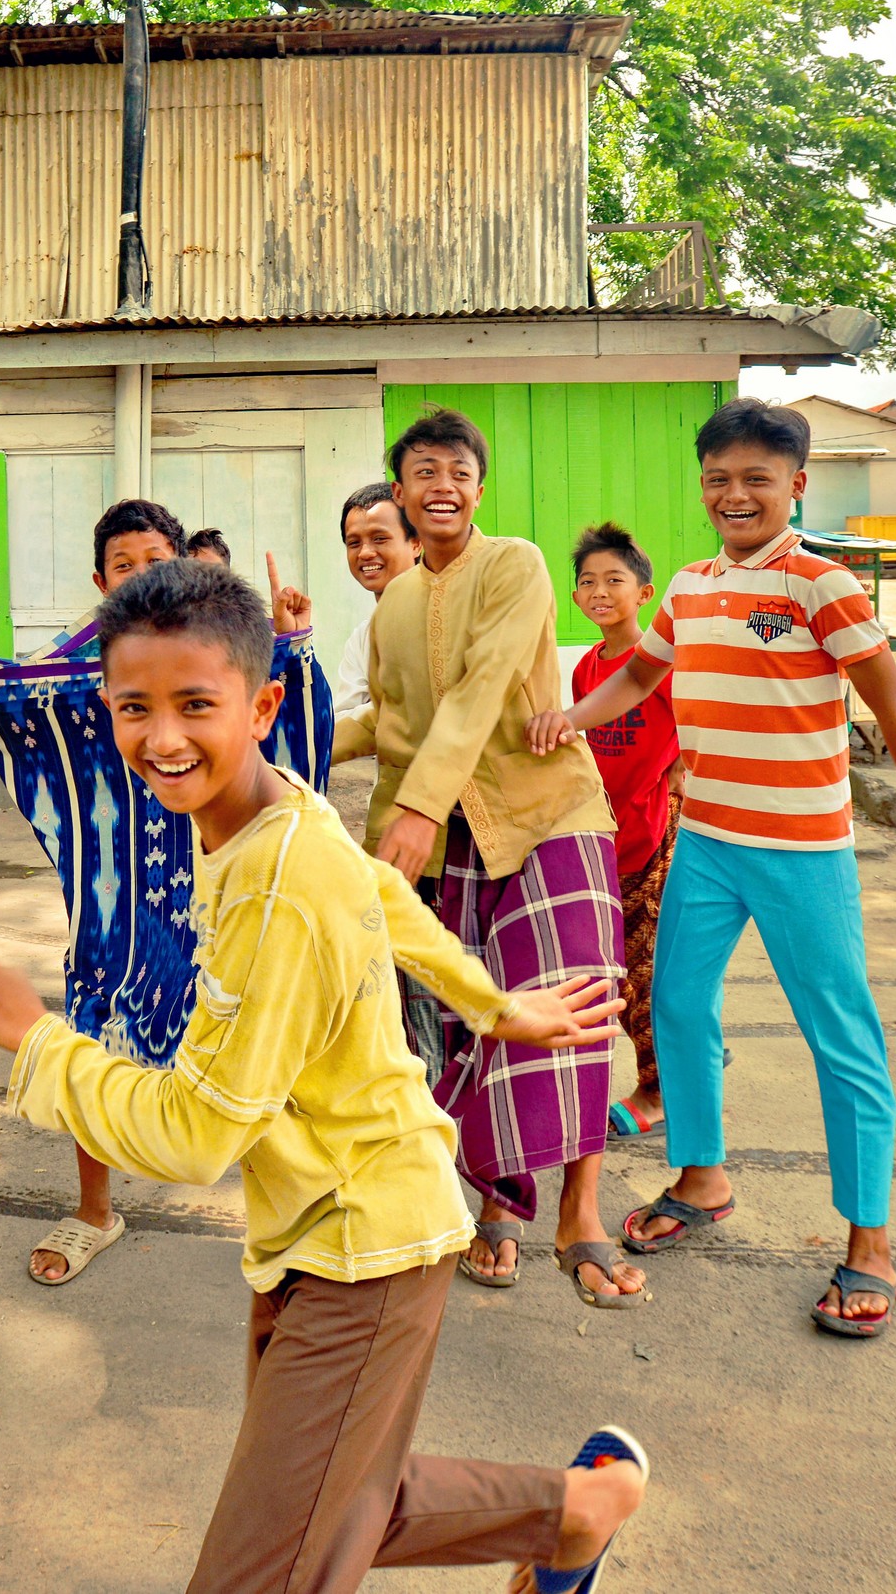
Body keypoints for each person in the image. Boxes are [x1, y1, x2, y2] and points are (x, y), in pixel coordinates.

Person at [0, 559, 649, 1594]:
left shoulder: (275, 883)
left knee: (264, 1562)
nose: (160, 737)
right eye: (134, 707)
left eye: (194, 705)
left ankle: (576, 1512)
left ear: (264, 703)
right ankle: (576, 1511)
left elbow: (194, 1133)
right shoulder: (279, 812)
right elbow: (379, 893)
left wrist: (35, 1039)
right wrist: (495, 1003)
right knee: (332, 1500)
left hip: (368, 1247)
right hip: (318, 1231)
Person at [531, 398, 896, 1338]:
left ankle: (870, 1243)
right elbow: (638, 676)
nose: (734, 495)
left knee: (843, 1036)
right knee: (674, 1007)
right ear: (701, 488)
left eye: (756, 479)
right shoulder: (694, 586)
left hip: (802, 851)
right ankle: (702, 1179)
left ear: (797, 483)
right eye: (718, 480)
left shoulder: (823, 586)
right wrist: (564, 720)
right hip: (705, 841)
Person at [0, 498, 332, 1286]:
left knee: (252, 1038)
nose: (142, 574)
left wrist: (293, 646)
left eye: (156, 559)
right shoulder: (89, 654)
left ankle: (287, 1214)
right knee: (95, 1029)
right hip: (116, 884)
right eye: (125, 565)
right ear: (99, 578)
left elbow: (289, 723)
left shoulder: (221, 642)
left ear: (183, 561)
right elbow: (27, 715)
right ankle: (94, 1209)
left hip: (219, 880)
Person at [336, 407, 643, 1308]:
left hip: (548, 809)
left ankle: (581, 1208)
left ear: (478, 486)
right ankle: (498, 1201)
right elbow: (391, 724)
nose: (441, 484)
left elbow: (479, 691)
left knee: (580, 996)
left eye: (458, 470)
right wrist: (289, 731)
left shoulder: (517, 565)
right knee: (476, 1017)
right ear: (401, 489)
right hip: (455, 834)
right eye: (422, 469)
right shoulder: (393, 602)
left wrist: (420, 805)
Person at [565, 523, 687, 1143]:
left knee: (645, 972)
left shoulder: (662, 664)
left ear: (645, 594)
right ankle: (689, 1059)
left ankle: (657, 1090)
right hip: (602, 842)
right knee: (607, 971)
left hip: (653, 839)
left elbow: (690, 737)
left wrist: (672, 777)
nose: (598, 591)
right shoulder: (588, 668)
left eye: (614, 579)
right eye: (587, 582)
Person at [336, 480, 422, 722]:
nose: (364, 553)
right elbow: (341, 721)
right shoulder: (363, 637)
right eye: (354, 543)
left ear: (417, 543)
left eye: (379, 538)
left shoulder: (450, 616)